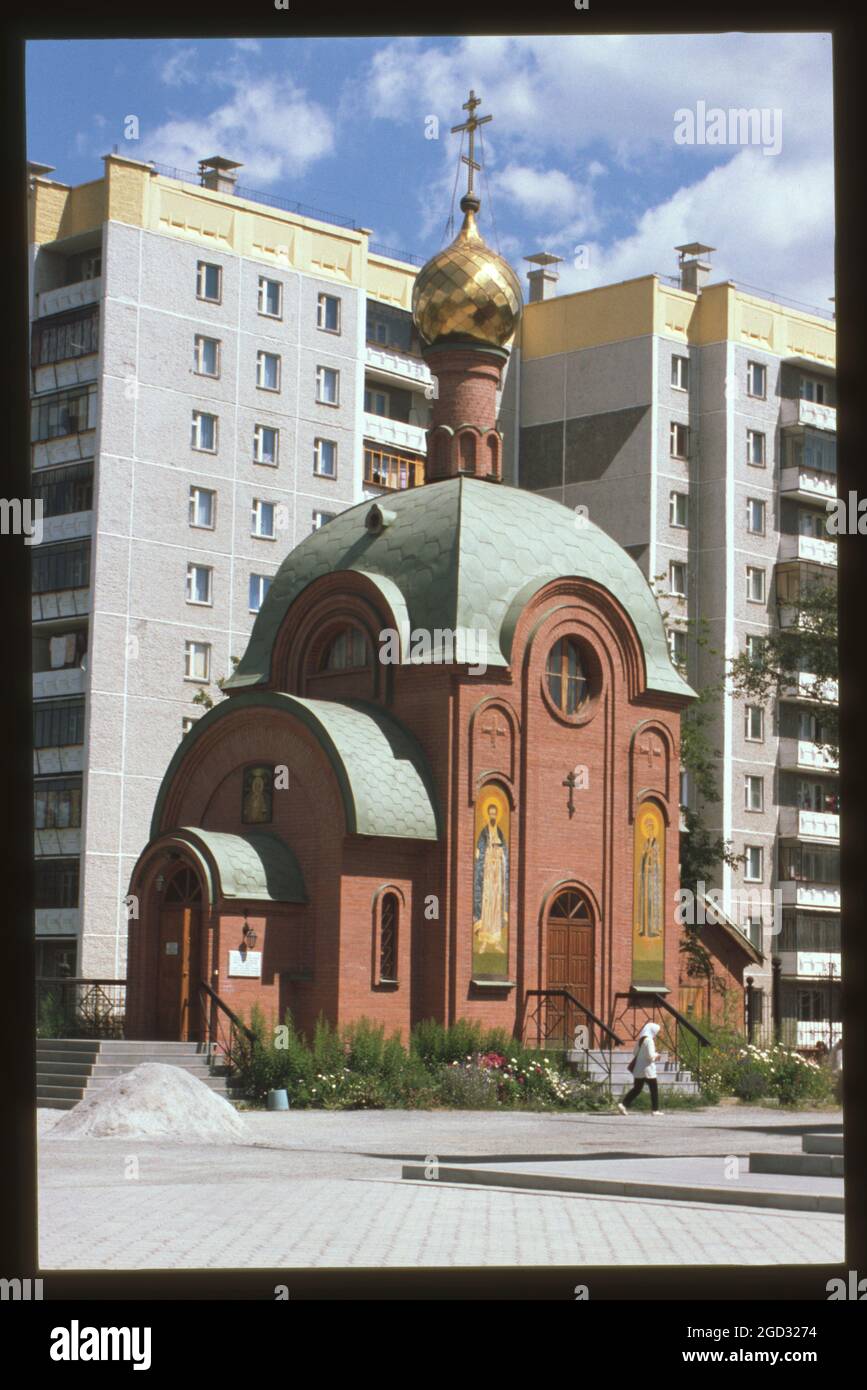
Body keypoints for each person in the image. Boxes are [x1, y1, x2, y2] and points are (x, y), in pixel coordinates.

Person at [617, 1022, 664, 1115]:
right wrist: (657, 1055)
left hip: (638, 1068)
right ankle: (655, 1110)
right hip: (648, 1069)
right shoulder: (649, 1040)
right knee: (654, 1089)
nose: (656, 1034)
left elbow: (634, 1053)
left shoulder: (640, 1040)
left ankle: (623, 1104)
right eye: (656, 1032)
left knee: (637, 1089)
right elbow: (650, 1055)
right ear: (652, 1031)